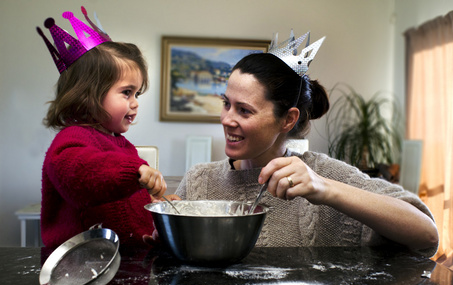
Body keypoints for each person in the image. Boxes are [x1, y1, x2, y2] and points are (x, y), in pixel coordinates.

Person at [175, 31, 439, 257]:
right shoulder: (200, 181)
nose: (226, 120)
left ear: (288, 119)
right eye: (226, 104)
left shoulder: (325, 177)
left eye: (244, 111)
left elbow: (427, 235)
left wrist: (325, 189)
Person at [39, 8, 166, 248]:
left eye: (137, 93)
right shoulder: (72, 139)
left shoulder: (123, 145)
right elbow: (83, 175)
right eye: (127, 92)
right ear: (88, 95)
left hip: (124, 263)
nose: (135, 102)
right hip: (82, 270)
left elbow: (124, 201)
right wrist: (135, 172)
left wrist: (155, 207)